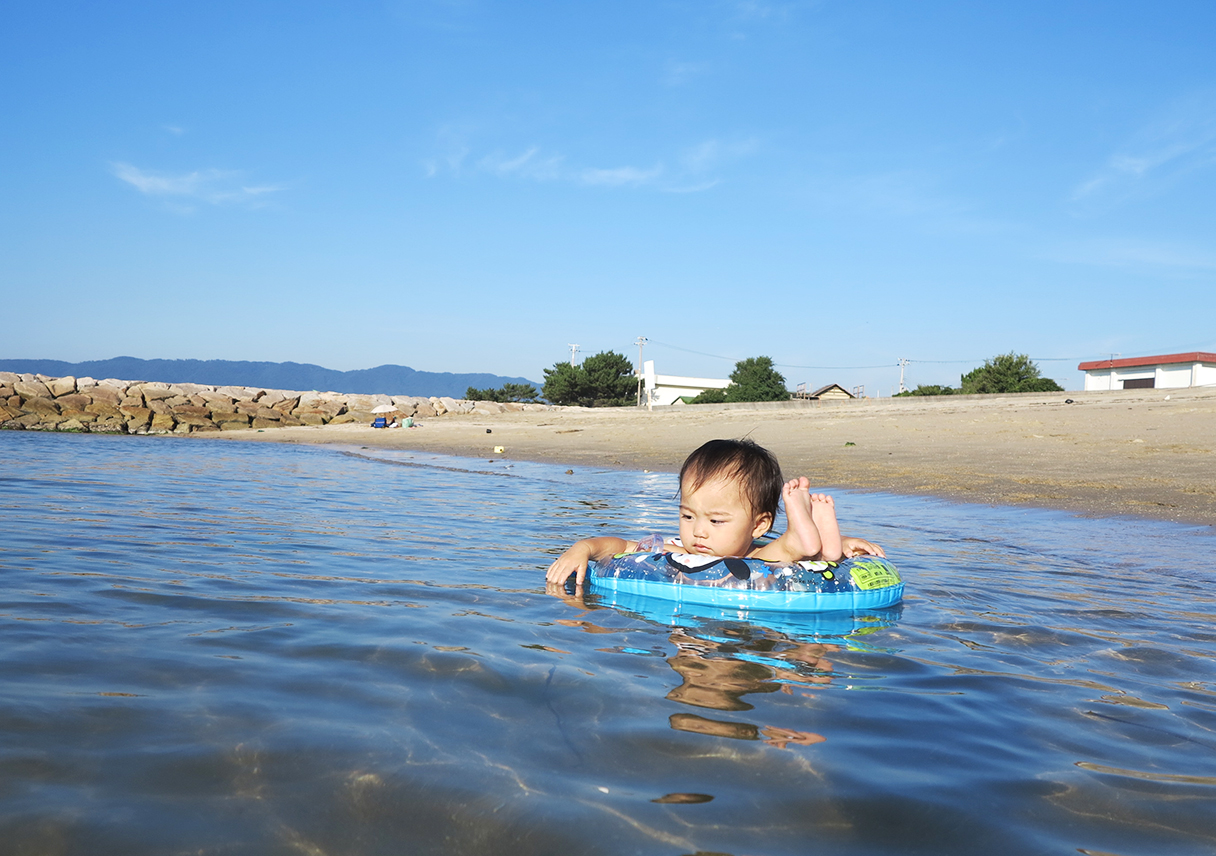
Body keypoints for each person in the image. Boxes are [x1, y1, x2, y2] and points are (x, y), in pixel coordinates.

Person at [546, 438, 884, 587]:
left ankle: (811, 537)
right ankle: (822, 541)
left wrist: (848, 542)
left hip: (770, 559)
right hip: (774, 563)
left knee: (774, 556)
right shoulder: (678, 551)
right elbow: (622, 545)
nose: (698, 532)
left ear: (759, 524)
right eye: (688, 516)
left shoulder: (761, 551)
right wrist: (584, 548)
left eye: (716, 520)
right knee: (794, 554)